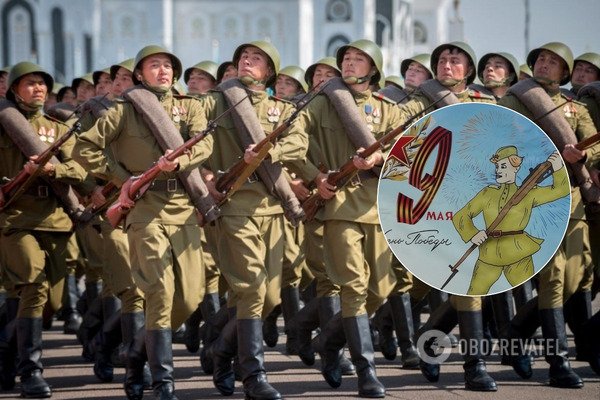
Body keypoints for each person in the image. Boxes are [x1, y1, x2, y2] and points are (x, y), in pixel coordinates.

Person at [74, 44, 218, 400]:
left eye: (168, 65)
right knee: (159, 291)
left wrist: (180, 164)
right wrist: (122, 177)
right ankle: (162, 380)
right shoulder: (124, 110)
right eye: (155, 65)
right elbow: (83, 147)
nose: (163, 71)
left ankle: (136, 355)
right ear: (139, 74)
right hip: (145, 208)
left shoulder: (190, 106)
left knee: (190, 295)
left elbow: (205, 144)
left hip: (182, 205)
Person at [190, 40, 307, 400]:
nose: (247, 61)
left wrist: (271, 148)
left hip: (271, 206)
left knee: (269, 296)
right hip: (235, 204)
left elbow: (299, 143)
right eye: (243, 56)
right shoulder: (214, 101)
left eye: (256, 58)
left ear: (270, 71)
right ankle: (253, 374)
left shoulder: (279, 108)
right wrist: (207, 175)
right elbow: (192, 141)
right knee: (253, 289)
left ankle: (220, 351)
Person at [292, 39, 402, 398]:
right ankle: (366, 372)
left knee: (380, 289)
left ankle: (327, 340)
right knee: (353, 286)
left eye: (359, 59)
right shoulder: (321, 103)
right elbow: (292, 143)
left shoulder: (388, 110)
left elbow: (411, 157)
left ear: (373, 69)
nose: (351, 64)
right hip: (339, 207)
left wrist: (379, 159)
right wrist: (315, 177)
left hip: (378, 207)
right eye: (347, 59)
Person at [499, 41, 599, 388]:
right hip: (535, 199)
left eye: (553, 61)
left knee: (575, 278)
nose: (544, 64)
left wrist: (583, 157)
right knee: (554, 278)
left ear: (565, 72)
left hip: (573, 201)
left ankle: (515, 332)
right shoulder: (517, 99)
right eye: (540, 58)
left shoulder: (576, 107)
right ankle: (558, 362)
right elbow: (501, 141)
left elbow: (595, 145)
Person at [399, 41, 498, 392]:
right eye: (442, 60)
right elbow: (398, 143)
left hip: (473, 207)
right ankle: (427, 338)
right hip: (430, 205)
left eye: (455, 61)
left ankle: (474, 365)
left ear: (468, 69)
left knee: (471, 283)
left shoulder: (487, 104)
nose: (447, 65)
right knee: (430, 280)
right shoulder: (417, 102)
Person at [0, 61, 88, 397]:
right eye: (29, 83)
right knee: (33, 286)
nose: (38, 89)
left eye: (42, 84)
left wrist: (54, 170)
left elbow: (79, 170)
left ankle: (5, 353)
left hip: (54, 221)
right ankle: (31, 372)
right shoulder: (5, 125)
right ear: (14, 90)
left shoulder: (56, 127)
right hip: (15, 220)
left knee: (49, 298)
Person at [453, 146, 569, 295]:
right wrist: (472, 233)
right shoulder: (487, 193)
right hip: (489, 254)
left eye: (503, 166)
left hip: (518, 253)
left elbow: (561, 190)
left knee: (525, 294)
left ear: (516, 167)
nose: (498, 170)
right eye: (497, 167)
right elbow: (461, 216)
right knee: (474, 294)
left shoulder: (529, 194)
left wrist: (558, 168)